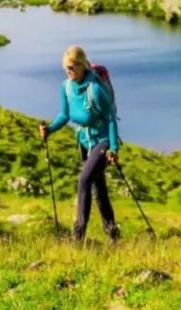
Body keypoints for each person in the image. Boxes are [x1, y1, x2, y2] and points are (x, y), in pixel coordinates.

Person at [39, 46, 121, 242]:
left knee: (84, 180)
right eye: (65, 69)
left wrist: (113, 148)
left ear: (81, 66)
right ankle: (114, 236)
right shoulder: (66, 87)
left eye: (71, 68)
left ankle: (78, 236)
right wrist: (49, 130)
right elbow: (65, 115)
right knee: (98, 189)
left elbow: (110, 118)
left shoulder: (96, 89)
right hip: (84, 142)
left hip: (102, 141)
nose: (68, 72)